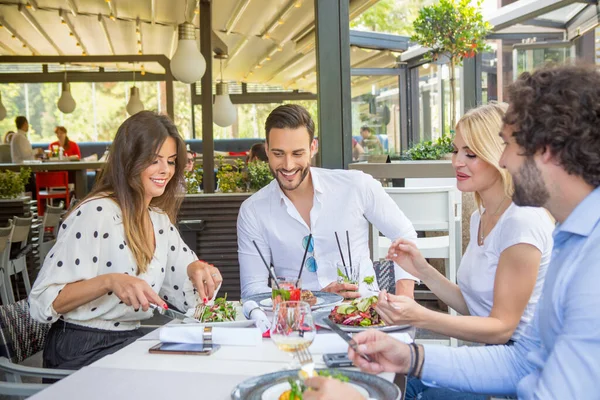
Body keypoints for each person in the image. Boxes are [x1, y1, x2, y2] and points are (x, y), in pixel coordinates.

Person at [306, 64, 600, 399]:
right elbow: (522, 363)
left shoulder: (586, 260)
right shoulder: (571, 239)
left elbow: (510, 341)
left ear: (545, 148)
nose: (503, 161)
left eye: (506, 145)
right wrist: (411, 357)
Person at [382, 103, 554, 400]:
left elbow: (501, 328)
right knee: (390, 382)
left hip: (522, 373)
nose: (457, 161)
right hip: (493, 359)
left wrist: (419, 315)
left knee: (403, 388)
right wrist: (421, 269)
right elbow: (472, 304)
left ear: (499, 155)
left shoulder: (522, 220)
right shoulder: (482, 214)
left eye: (470, 154)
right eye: (456, 150)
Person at [29, 111, 222, 370]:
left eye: (172, 161)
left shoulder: (158, 220)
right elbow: (43, 301)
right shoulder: (96, 213)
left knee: (204, 366)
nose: (165, 170)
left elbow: (189, 303)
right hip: (82, 349)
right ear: (130, 161)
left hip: (129, 341)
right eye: (154, 160)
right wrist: (110, 281)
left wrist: (197, 270)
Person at [237, 104, 418, 300]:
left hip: (364, 314)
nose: (288, 165)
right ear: (267, 150)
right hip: (298, 322)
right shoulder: (253, 210)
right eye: (278, 154)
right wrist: (315, 297)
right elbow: (253, 291)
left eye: (297, 153)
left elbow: (404, 234)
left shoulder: (356, 185)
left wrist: (405, 302)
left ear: (313, 147)